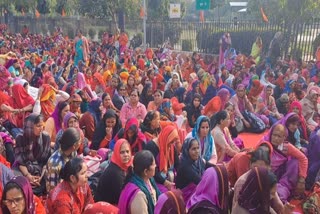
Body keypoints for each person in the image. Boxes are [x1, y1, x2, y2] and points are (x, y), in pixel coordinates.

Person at [263, 124, 308, 202]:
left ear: (284, 138)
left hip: (279, 173)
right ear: (271, 134)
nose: (276, 138)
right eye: (274, 135)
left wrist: (302, 179)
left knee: (295, 162)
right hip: (265, 175)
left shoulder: (286, 147)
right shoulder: (264, 144)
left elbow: (303, 158)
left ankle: (284, 188)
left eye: (279, 136)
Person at [14, 114, 51, 195]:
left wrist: (41, 177)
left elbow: (46, 161)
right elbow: (20, 161)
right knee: (18, 182)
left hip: (40, 170)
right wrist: (28, 176)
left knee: (48, 179)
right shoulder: (20, 138)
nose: (41, 128)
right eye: (38, 126)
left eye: (42, 125)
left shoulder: (45, 138)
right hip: (24, 169)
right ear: (30, 127)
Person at [95, 139, 133, 204]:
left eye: (127, 151)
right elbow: (121, 197)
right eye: (122, 152)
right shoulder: (115, 172)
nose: (126, 155)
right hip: (106, 205)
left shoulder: (126, 166)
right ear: (116, 153)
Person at [144, 125, 179, 192]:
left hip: (167, 177)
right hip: (154, 179)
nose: (172, 144)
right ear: (166, 138)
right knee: (168, 196)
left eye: (174, 142)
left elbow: (177, 164)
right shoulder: (151, 147)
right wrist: (164, 182)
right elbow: (152, 171)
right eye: (171, 141)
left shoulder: (171, 146)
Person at [176, 138, 212, 202]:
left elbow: (210, 166)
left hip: (193, 191)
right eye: (193, 149)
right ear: (187, 150)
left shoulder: (198, 160)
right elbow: (200, 181)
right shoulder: (185, 166)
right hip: (185, 196)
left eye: (198, 148)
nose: (197, 151)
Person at [45, 128, 80, 192]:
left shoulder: (73, 152)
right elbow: (52, 190)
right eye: (79, 141)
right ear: (74, 145)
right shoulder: (55, 164)